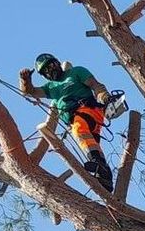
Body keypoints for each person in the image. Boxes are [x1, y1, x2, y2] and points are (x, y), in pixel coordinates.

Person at [19, 53, 114, 192]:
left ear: (57, 63)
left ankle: (98, 164)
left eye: (51, 66)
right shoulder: (50, 88)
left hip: (87, 110)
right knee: (90, 142)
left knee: (79, 130)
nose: (50, 71)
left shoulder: (76, 72)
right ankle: (104, 176)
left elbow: (95, 85)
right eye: (45, 71)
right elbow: (30, 92)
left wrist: (105, 97)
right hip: (76, 119)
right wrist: (25, 80)